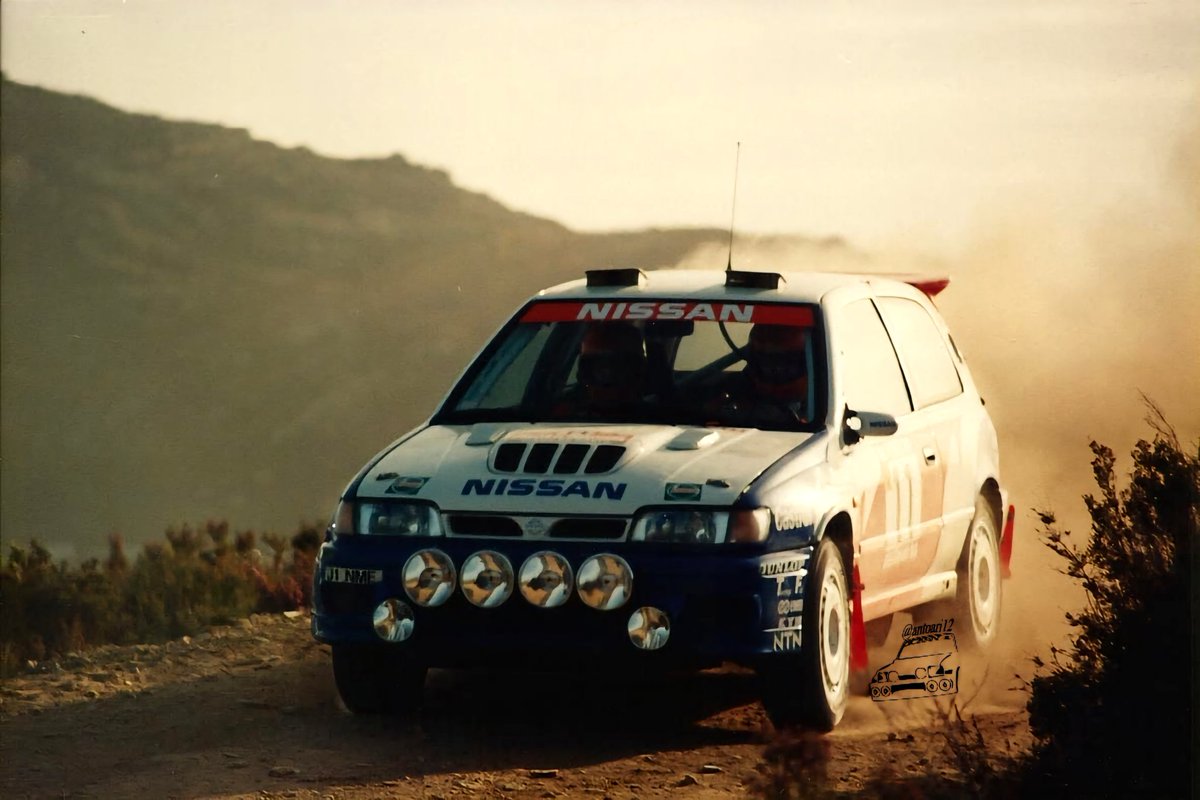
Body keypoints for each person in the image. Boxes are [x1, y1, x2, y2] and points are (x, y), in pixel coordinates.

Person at [716, 323, 811, 428]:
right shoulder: (740, 386)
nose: (774, 369)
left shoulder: (822, 403)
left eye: (783, 362)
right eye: (764, 360)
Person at [567, 322, 648, 416]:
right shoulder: (562, 411)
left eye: (617, 366)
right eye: (596, 366)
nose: (605, 374)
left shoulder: (659, 420)